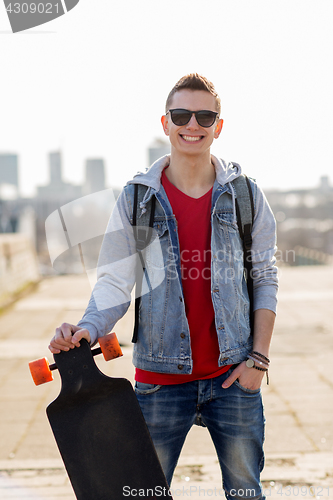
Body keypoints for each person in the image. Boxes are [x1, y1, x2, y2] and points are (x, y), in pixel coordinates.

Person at [49, 74, 278, 500]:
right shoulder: (138, 199)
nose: (193, 124)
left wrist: (258, 362)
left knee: (246, 493)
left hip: (234, 377)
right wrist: (88, 326)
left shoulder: (245, 195)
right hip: (159, 382)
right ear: (166, 123)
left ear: (218, 126)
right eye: (181, 114)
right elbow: (115, 281)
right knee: (141, 494)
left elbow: (265, 278)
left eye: (205, 115)